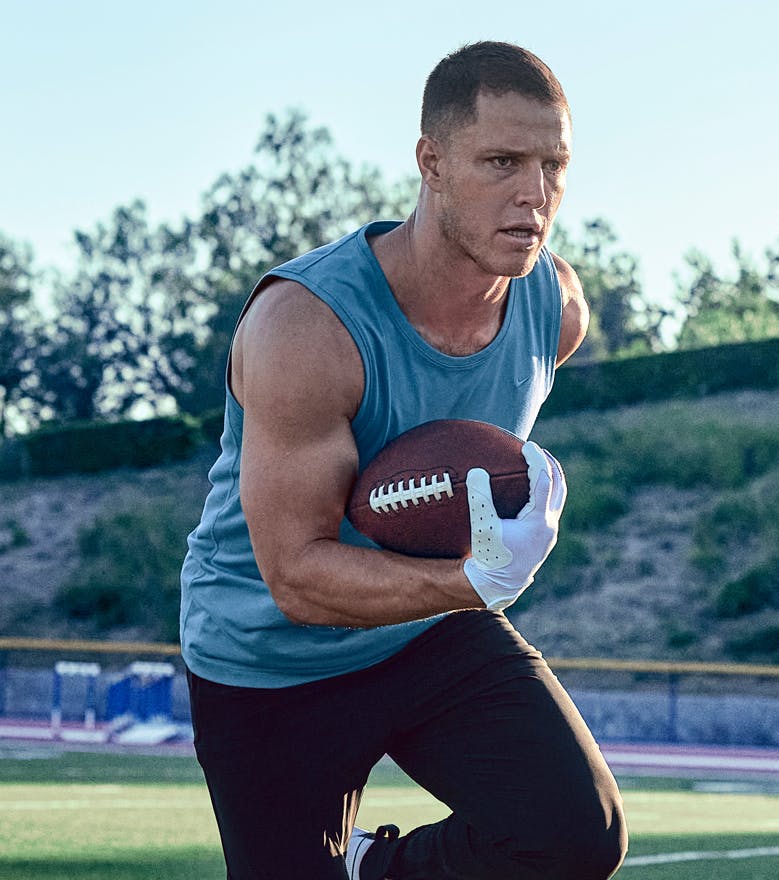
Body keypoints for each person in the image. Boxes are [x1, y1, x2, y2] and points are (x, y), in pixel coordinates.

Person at [180, 40, 627, 880]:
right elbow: (296, 578)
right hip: (270, 657)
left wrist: (481, 543)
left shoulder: (555, 309)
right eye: (501, 161)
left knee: (575, 834)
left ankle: (371, 870)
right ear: (430, 161)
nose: (533, 195)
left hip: (425, 637)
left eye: (552, 165)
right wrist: (473, 583)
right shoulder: (305, 328)